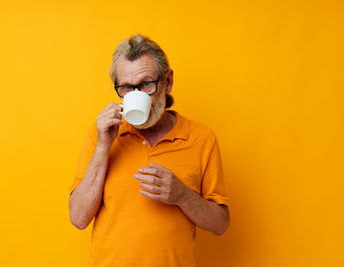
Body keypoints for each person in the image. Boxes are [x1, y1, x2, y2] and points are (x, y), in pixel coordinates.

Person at [68, 33, 230, 267]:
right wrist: (104, 146)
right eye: (126, 87)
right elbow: (79, 218)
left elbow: (220, 224)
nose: (136, 96)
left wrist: (182, 196)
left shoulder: (201, 138)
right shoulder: (102, 134)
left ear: (168, 81)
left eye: (146, 85)